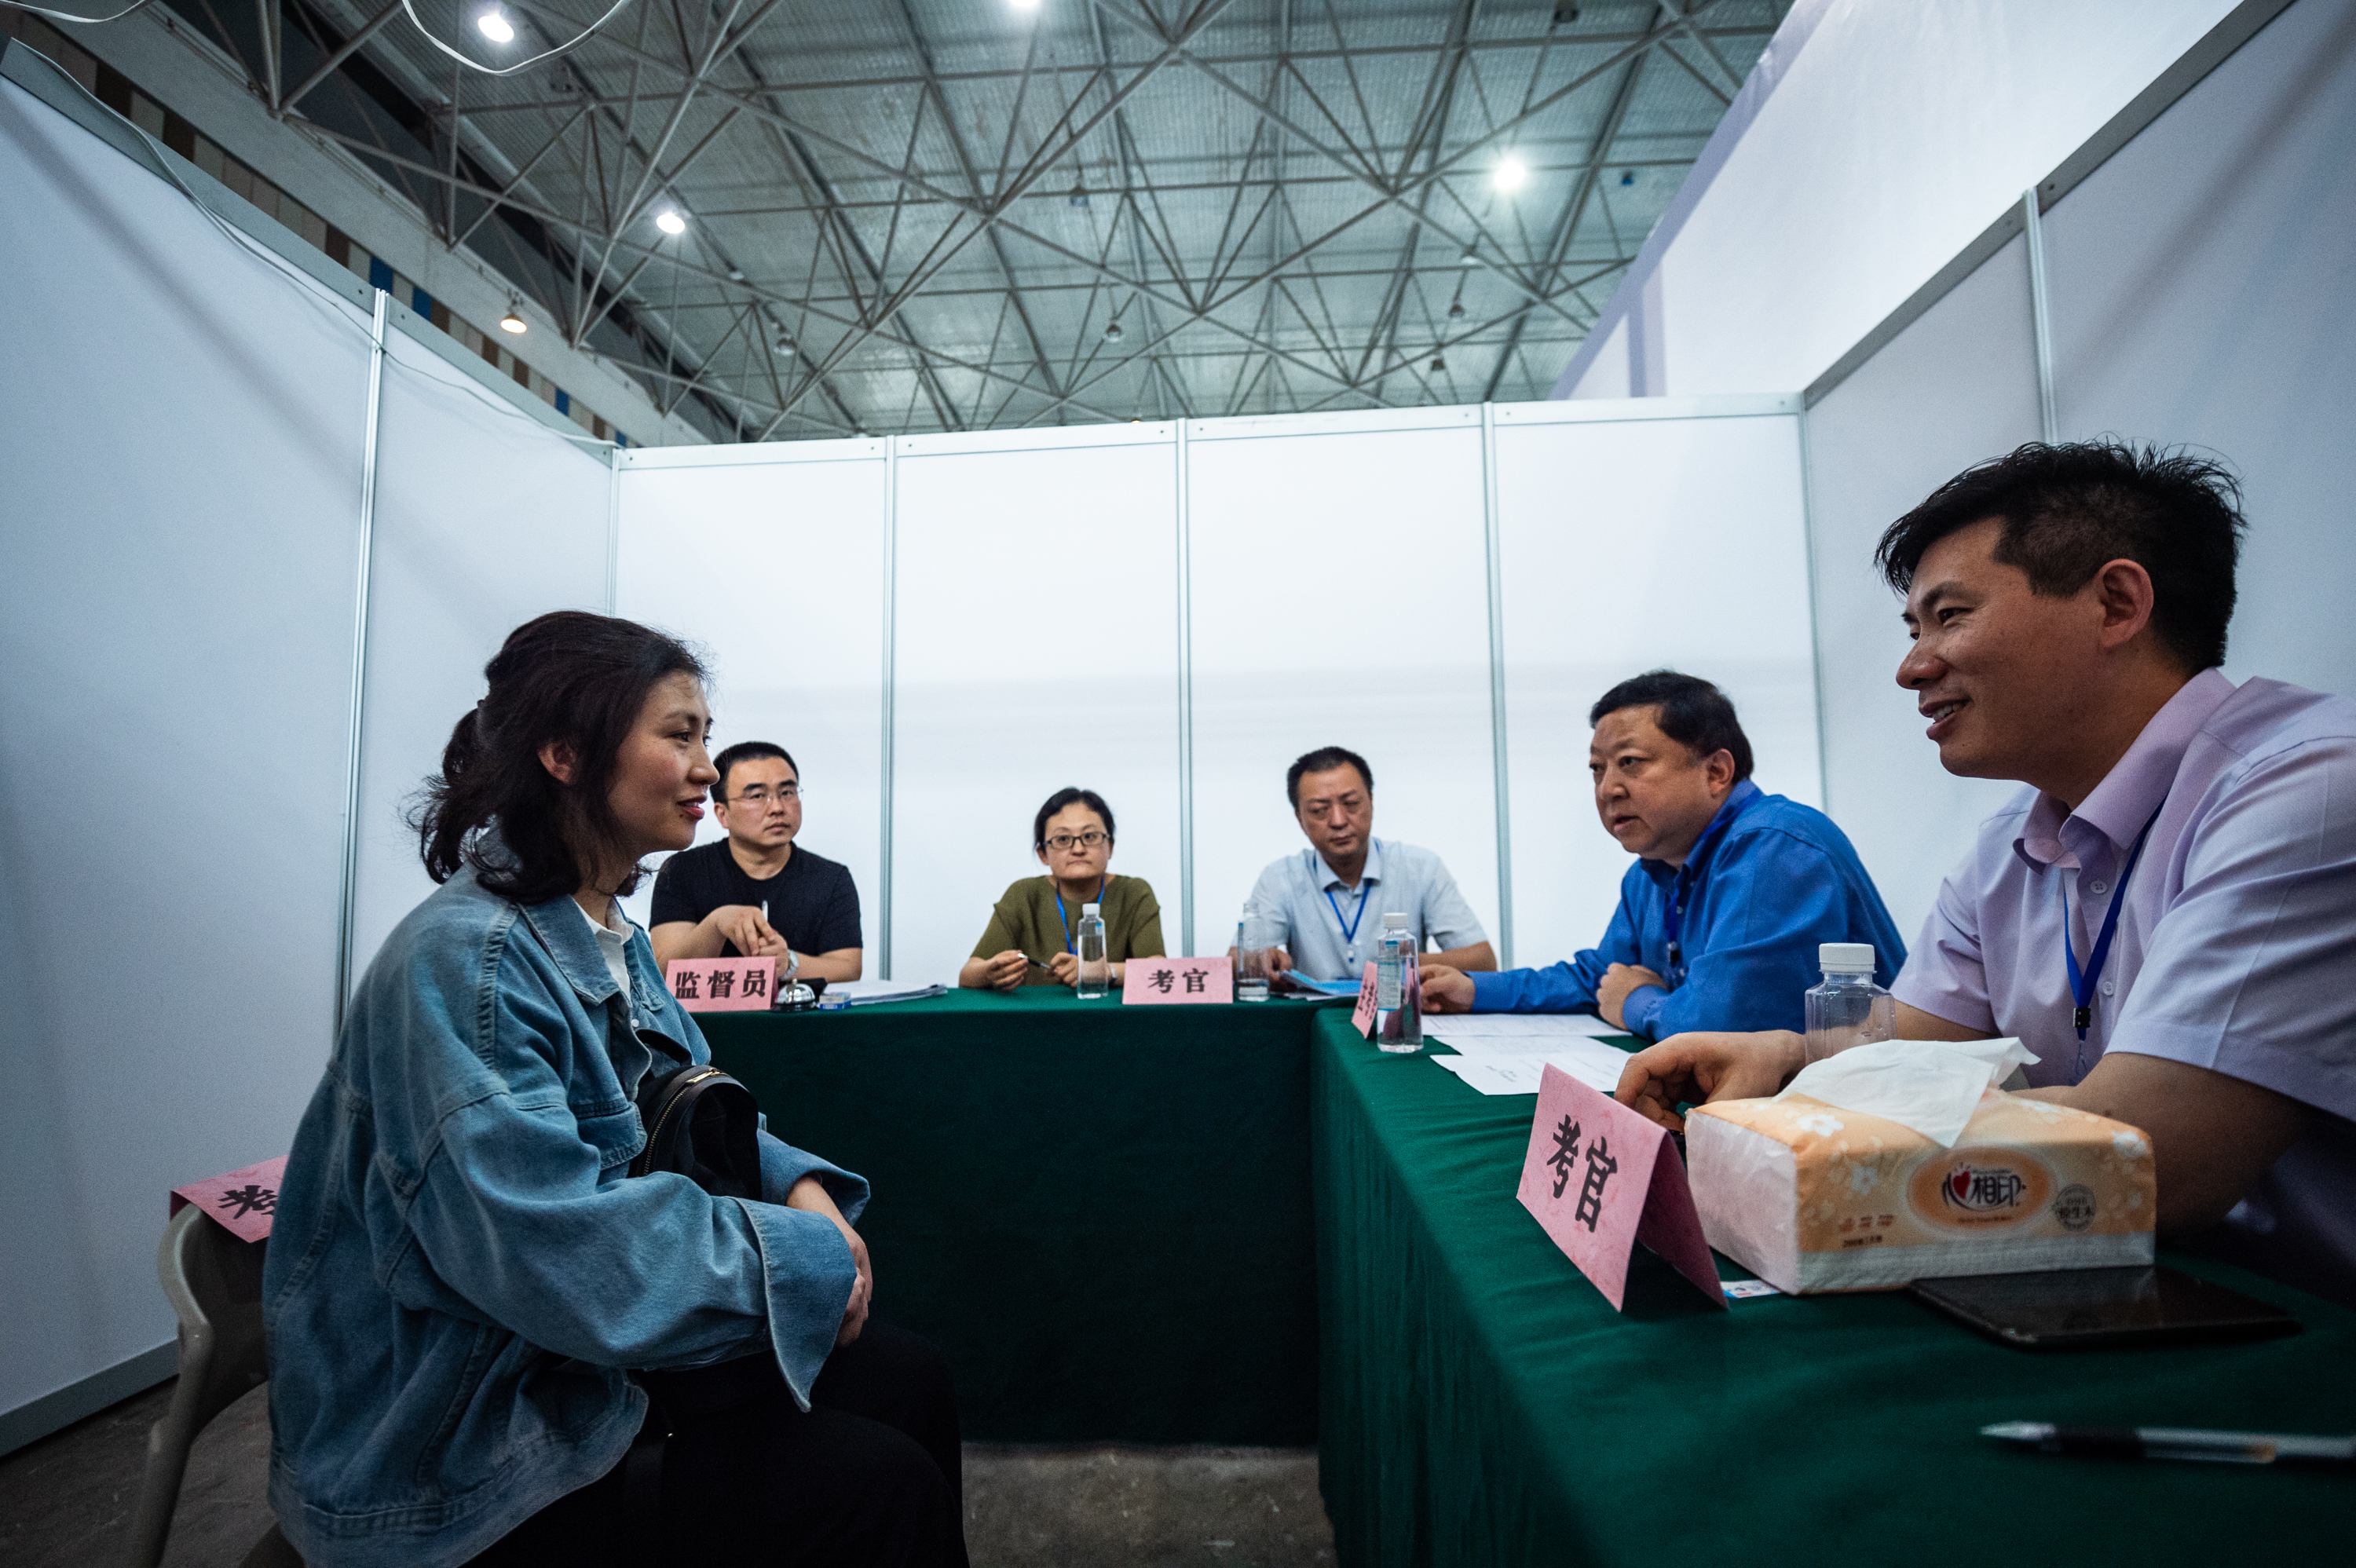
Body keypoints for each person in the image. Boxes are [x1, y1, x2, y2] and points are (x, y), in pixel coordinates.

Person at [263, 612, 968, 1566]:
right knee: (879, 1488)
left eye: (707, 736)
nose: (708, 769)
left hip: (569, 1353)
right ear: (565, 753)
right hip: (472, 1424)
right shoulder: (466, 964)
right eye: (680, 735)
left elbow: (687, 1099)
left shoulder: (608, 932)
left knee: (910, 1378)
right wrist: (801, 1253)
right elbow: (554, 1249)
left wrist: (797, 1182)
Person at [1613, 443, 2356, 1306]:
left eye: (1950, 616)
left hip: (2301, 1319)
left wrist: (1841, 1096)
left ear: (2117, 604)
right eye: (1913, 631)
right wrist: (1782, 1054)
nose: (1912, 667)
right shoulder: (2012, 836)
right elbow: (1912, 1044)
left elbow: (2144, 1153)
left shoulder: (2305, 788)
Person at [1420, 671, 1905, 1038]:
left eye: (1630, 763)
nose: (1608, 789)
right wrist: (1475, 989)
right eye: (1597, 769)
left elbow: (1722, 1028)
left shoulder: (1774, 848)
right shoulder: (1651, 872)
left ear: (1716, 772)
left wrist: (1637, 1002)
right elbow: (1601, 975)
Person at [1240, 745, 1494, 982]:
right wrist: (1259, 959)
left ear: (1371, 802)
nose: (1338, 821)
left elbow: (1483, 961)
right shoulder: (1280, 878)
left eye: (1351, 804)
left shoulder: (1421, 868)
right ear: (1300, 819)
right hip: (1314, 1014)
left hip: (1396, 1012)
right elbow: (1236, 960)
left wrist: (1407, 962)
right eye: (1319, 810)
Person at [649, 740, 863, 985]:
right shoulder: (682, 871)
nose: (777, 807)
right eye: (757, 796)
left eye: (787, 792)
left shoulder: (830, 878)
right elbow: (663, 972)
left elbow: (848, 968)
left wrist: (787, 964)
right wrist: (716, 924)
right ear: (722, 814)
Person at [960, 788, 1165, 991]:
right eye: (1063, 839)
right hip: (1036, 1013)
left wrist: (1104, 970)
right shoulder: (1023, 894)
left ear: (1110, 846)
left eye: (1090, 836)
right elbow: (967, 974)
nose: (1078, 849)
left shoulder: (1134, 892)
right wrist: (989, 973)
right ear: (1043, 854)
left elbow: (1159, 970)